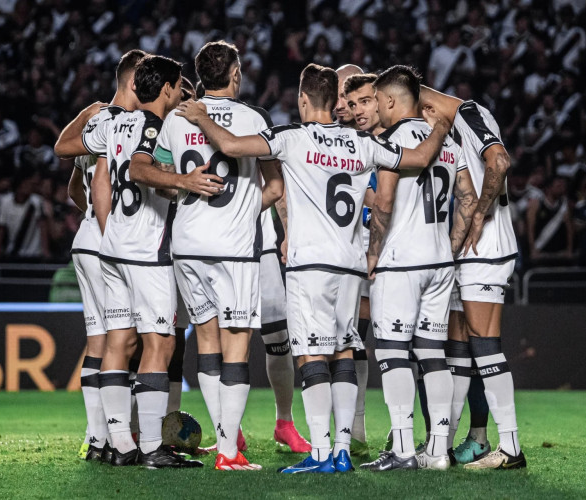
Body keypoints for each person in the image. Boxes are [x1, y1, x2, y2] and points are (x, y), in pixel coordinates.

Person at [176, 62, 452, 474]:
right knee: (343, 350)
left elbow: (232, 147)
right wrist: (442, 128)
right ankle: (341, 450)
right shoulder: (364, 143)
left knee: (310, 357)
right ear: (335, 100)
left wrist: (200, 118)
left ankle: (321, 454)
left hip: (310, 267)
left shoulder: (291, 138)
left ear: (304, 100)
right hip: (350, 265)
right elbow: (421, 156)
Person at [76, 54, 218, 468]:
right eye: (178, 87)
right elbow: (140, 170)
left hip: (113, 247)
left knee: (119, 341)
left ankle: (119, 443)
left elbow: (91, 167)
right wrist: (183, 181)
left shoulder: (114, 122)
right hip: (147, 250)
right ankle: (154, 446)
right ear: (170, 88)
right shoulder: (159, 126)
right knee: (161, 341)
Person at [153, 40, 284, 471]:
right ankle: (228, 450)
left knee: (205, 343)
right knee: (236, 348)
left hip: (187, 244)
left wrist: (186, 187)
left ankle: (226, 443)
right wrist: (246, 212)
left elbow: (162, 183)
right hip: (234, 250)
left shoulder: (175, 118)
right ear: (235, 74)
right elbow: (276, 187)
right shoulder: (253, 118)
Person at [360, 65, 477, 471]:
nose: (373, 105)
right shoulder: (447, 143)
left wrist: (373, 254)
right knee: (432, 354)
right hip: (439, 260)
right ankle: (438, 451)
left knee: (392, 353)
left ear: (390, 100)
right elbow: (468, 199)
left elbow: (385, 201)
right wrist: (450, 247)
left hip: (401, 262)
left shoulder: (391, 141)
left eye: (375, 98)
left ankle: (404, 451)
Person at [418, 84, 526, 469]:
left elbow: (499, 162)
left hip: (486, 248)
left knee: (485, 345)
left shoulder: (468, 113)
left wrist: (479, 215)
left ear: (428, 104)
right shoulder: (453, 125)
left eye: (423, 116)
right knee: (460, 348)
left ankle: (511, 449)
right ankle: (442, 445)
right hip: (466, 252)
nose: (424, 124)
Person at [56, 49, 145, 461]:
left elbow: (77, 185)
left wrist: (93, 220)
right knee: (122, 341)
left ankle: (96, 439)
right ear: (133, 82)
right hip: (111, 243)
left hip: (85, 239)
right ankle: (118, 437)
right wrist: (111, 231)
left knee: (98, 341)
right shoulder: (131, 125)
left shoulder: (94, 123)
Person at [335, 65, 374, 458]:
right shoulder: (328, 138)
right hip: (346, 252)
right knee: (349, 337)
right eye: (342, 96)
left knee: (407, 345)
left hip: (384, 248)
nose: (346, 104)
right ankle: (353, 427)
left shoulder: (381, 134)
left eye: (355, 97)